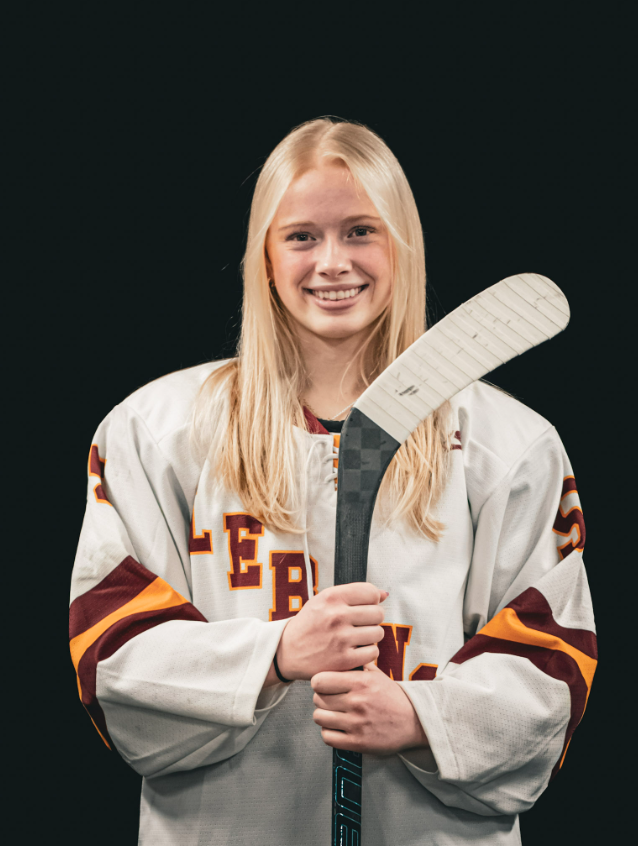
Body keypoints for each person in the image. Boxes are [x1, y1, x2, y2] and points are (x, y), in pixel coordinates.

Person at [69, 118, 596, 845]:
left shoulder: (507, 444)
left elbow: (550, 664)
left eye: (360, 232)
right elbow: (113, 653)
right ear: (264, 256)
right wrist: (277, 654)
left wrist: (419, 718)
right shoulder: (157, 432)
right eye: (301, 237)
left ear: (402, 246)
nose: (332, 262)